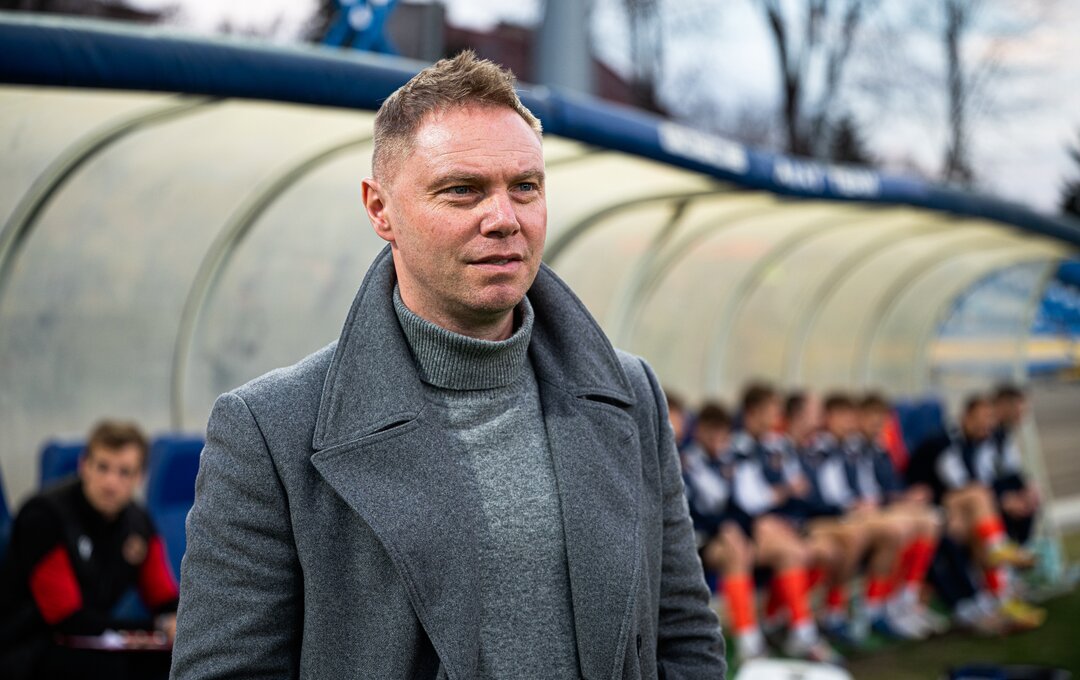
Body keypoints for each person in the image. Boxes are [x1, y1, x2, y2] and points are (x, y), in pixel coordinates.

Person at [171, 52, 726, 679]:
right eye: (462, 190)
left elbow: (685, 638)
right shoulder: (270, 430)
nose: (504, 219)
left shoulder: (630, 394)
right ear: (380, 209)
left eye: (525, 187)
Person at [0, 421, 178, 680]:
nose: (110, 482)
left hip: (89, 643)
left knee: (179, 659)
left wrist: (179, 621)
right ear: (84, 466)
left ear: (139, 477)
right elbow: (65, 617)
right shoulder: (43, 517)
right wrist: (156, 627)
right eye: (102, 467)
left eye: (124, 472)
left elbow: (163, 597)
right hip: (30, 647)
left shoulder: (139, 523)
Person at [990, 384, 1039, 545]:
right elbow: (979, 474)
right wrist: (1002, 497)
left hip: (997, 489)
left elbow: (1011, 469)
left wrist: (1027, 488)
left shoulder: (1004, 435)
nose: (1022, 415)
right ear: (1004, 405)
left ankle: (1021, 548)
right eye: (1019, 409)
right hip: (984, 493)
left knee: (1030, 495)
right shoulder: (984, 433)